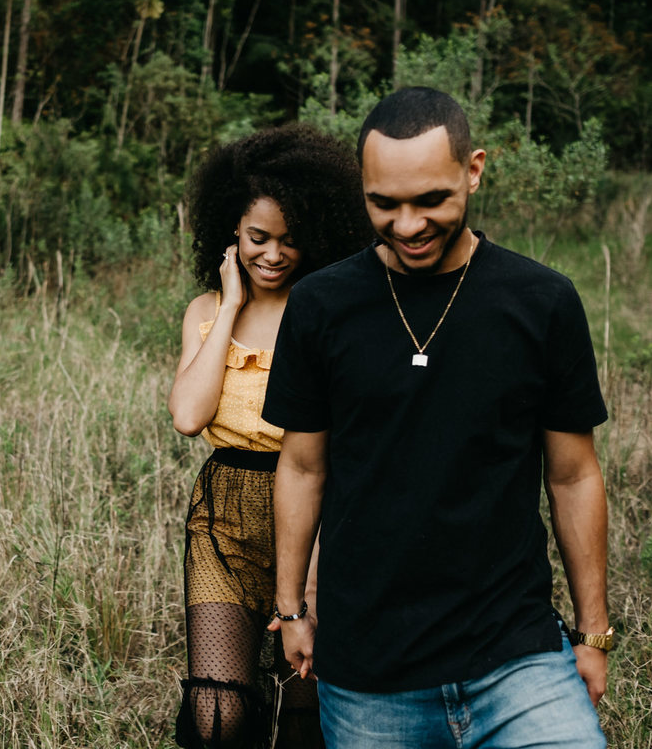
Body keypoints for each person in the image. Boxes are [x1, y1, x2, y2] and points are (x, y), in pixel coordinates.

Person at [264, 87, 612, 748]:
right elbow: (303, 467)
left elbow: (572, 477)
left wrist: (592, 635)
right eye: (383, 204)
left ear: (473, 169)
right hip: (370, 674)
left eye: (429, 200)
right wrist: (292, 609)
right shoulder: (320, 306)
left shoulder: (542, 302)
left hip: (516, 656)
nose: (406, 225)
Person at [169, 123, 372, 748]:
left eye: (290, 241)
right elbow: (187, 415)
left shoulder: (327, 312)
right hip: (224, 516)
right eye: (259, 237)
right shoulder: (206, 312)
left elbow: (325, 454)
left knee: (308, 708)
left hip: (311, 511)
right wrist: (230, 305)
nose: (274, 254)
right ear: (233, 228)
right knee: (217, 717)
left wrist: (308, 579)